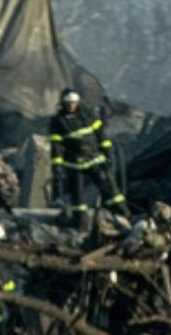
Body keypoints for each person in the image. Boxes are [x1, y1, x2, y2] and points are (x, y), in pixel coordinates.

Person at [50, 88, 128, 229]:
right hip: (74, 164)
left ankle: (123, 217)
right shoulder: (58, 121)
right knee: (78, 199)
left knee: (111, 190)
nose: (71, 106)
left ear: (78, 102)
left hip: (95, 160)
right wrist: (57, 167)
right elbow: (56, 147)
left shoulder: (88, 115)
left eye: (74, 103)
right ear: (63, 103)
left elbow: (101, 136)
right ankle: (80, 226)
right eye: (68, 103)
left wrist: (107, 154)